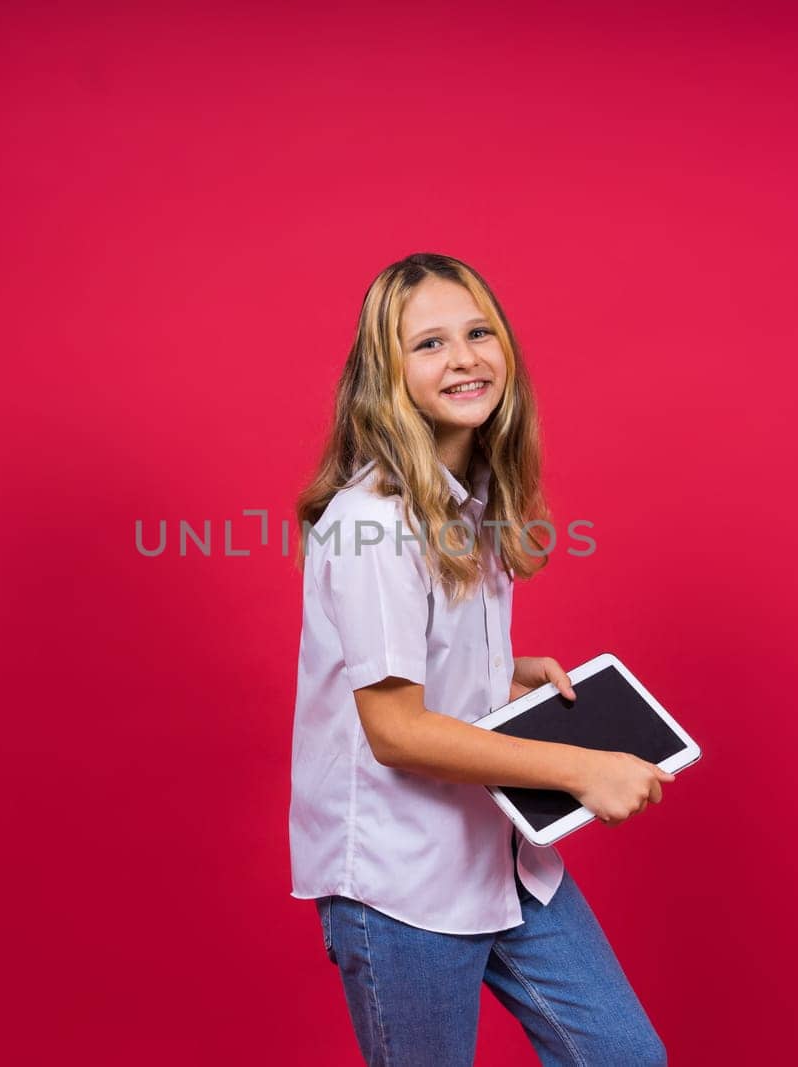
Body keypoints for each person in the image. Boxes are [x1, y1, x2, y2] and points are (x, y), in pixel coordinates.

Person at [287, 252, 676, 1066]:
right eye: (428, 344)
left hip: (500, 851)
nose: (463, 357)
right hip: (402, 881)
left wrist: (500, 673)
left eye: (477, 332)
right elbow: (394, 729)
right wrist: (580, 768)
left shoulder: (474, 500)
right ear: (385, 377)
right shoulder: (376, 522)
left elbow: (418, 668)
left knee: (623, 1055)